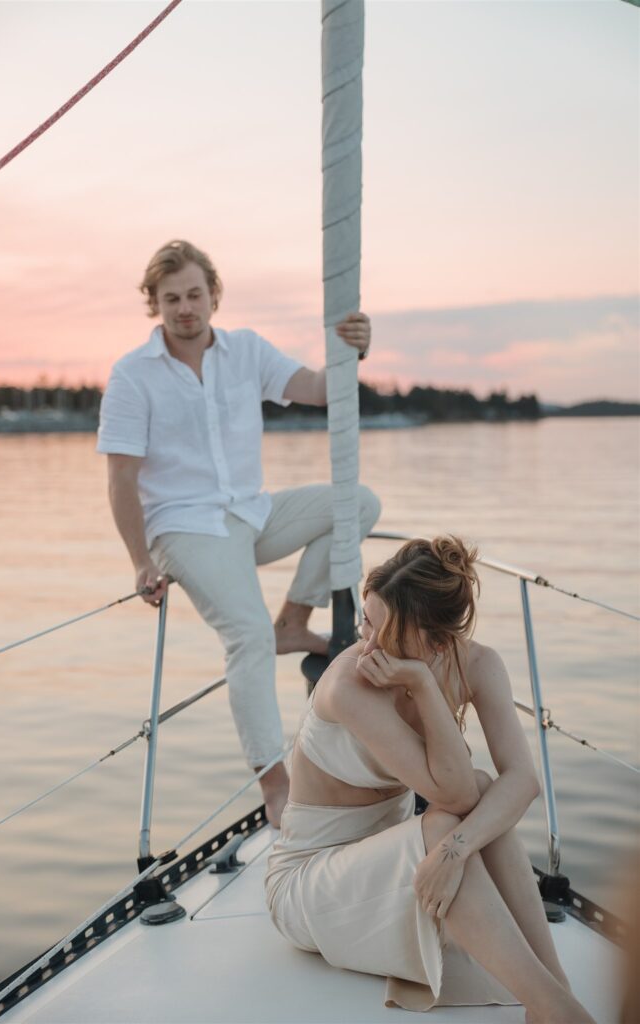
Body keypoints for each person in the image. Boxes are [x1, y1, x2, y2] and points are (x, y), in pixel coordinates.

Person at [97, 240, 381, 827]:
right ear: (154, 303)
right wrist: (138, 561)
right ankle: (275, 786)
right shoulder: (132, 376)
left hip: (251, 513)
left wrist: (352, 352)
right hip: (184, 526)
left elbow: (318, 388)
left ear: (213, 295)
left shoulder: (246, 351)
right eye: (171, 298)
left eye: (194, 294)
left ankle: (295, 621)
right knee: (246, 638)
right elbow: (122, 479)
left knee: (357, 502)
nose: (184, 308)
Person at [265, 537, 595, 1022]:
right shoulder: (349, 686)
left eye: (388, 632)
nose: (368, 648)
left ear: (439, 641)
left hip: (402, 871)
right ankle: (556, 1007)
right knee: (454, 814)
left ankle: (554, 991)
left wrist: (457, 850)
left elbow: (522, 780)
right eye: (366, 622)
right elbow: (453, 794)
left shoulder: (478, 664)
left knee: (482, 795)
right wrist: (421, 683)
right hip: (313, 886)